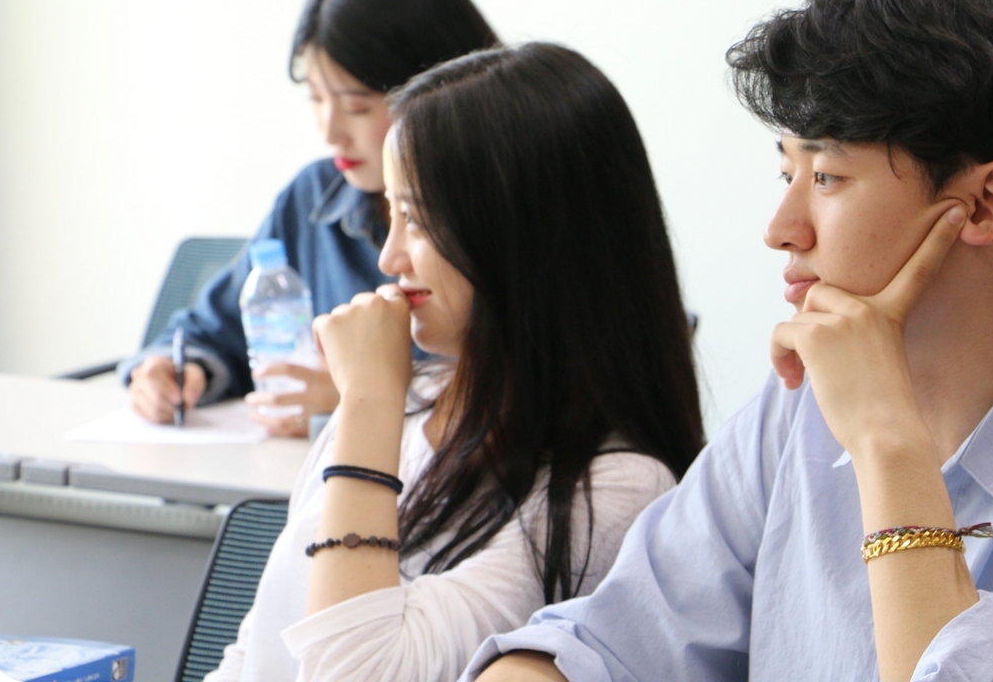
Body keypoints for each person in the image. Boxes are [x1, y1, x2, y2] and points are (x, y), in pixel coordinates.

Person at [465, 0, 993, 682]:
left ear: (984, 205)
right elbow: (598, 647)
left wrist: (886, 440)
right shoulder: (799, 414)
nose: (781, 229)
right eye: (788, 173)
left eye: (827, 176)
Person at [203, 42, 705, 681]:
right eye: (390, 213)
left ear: (521, 235)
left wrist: (369, 402)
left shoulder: (615, 490)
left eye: (416, 218)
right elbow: (254, 652)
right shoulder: (411, 403)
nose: (388, 258)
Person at [119, 0, 497, 437]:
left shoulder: (504, 209)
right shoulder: (315, 197)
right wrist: (178, 369)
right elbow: (212, 331)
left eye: (358, 107)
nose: (330, 131)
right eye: (316, 99)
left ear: (447, 87)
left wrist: (368, 398)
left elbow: (531, 390)